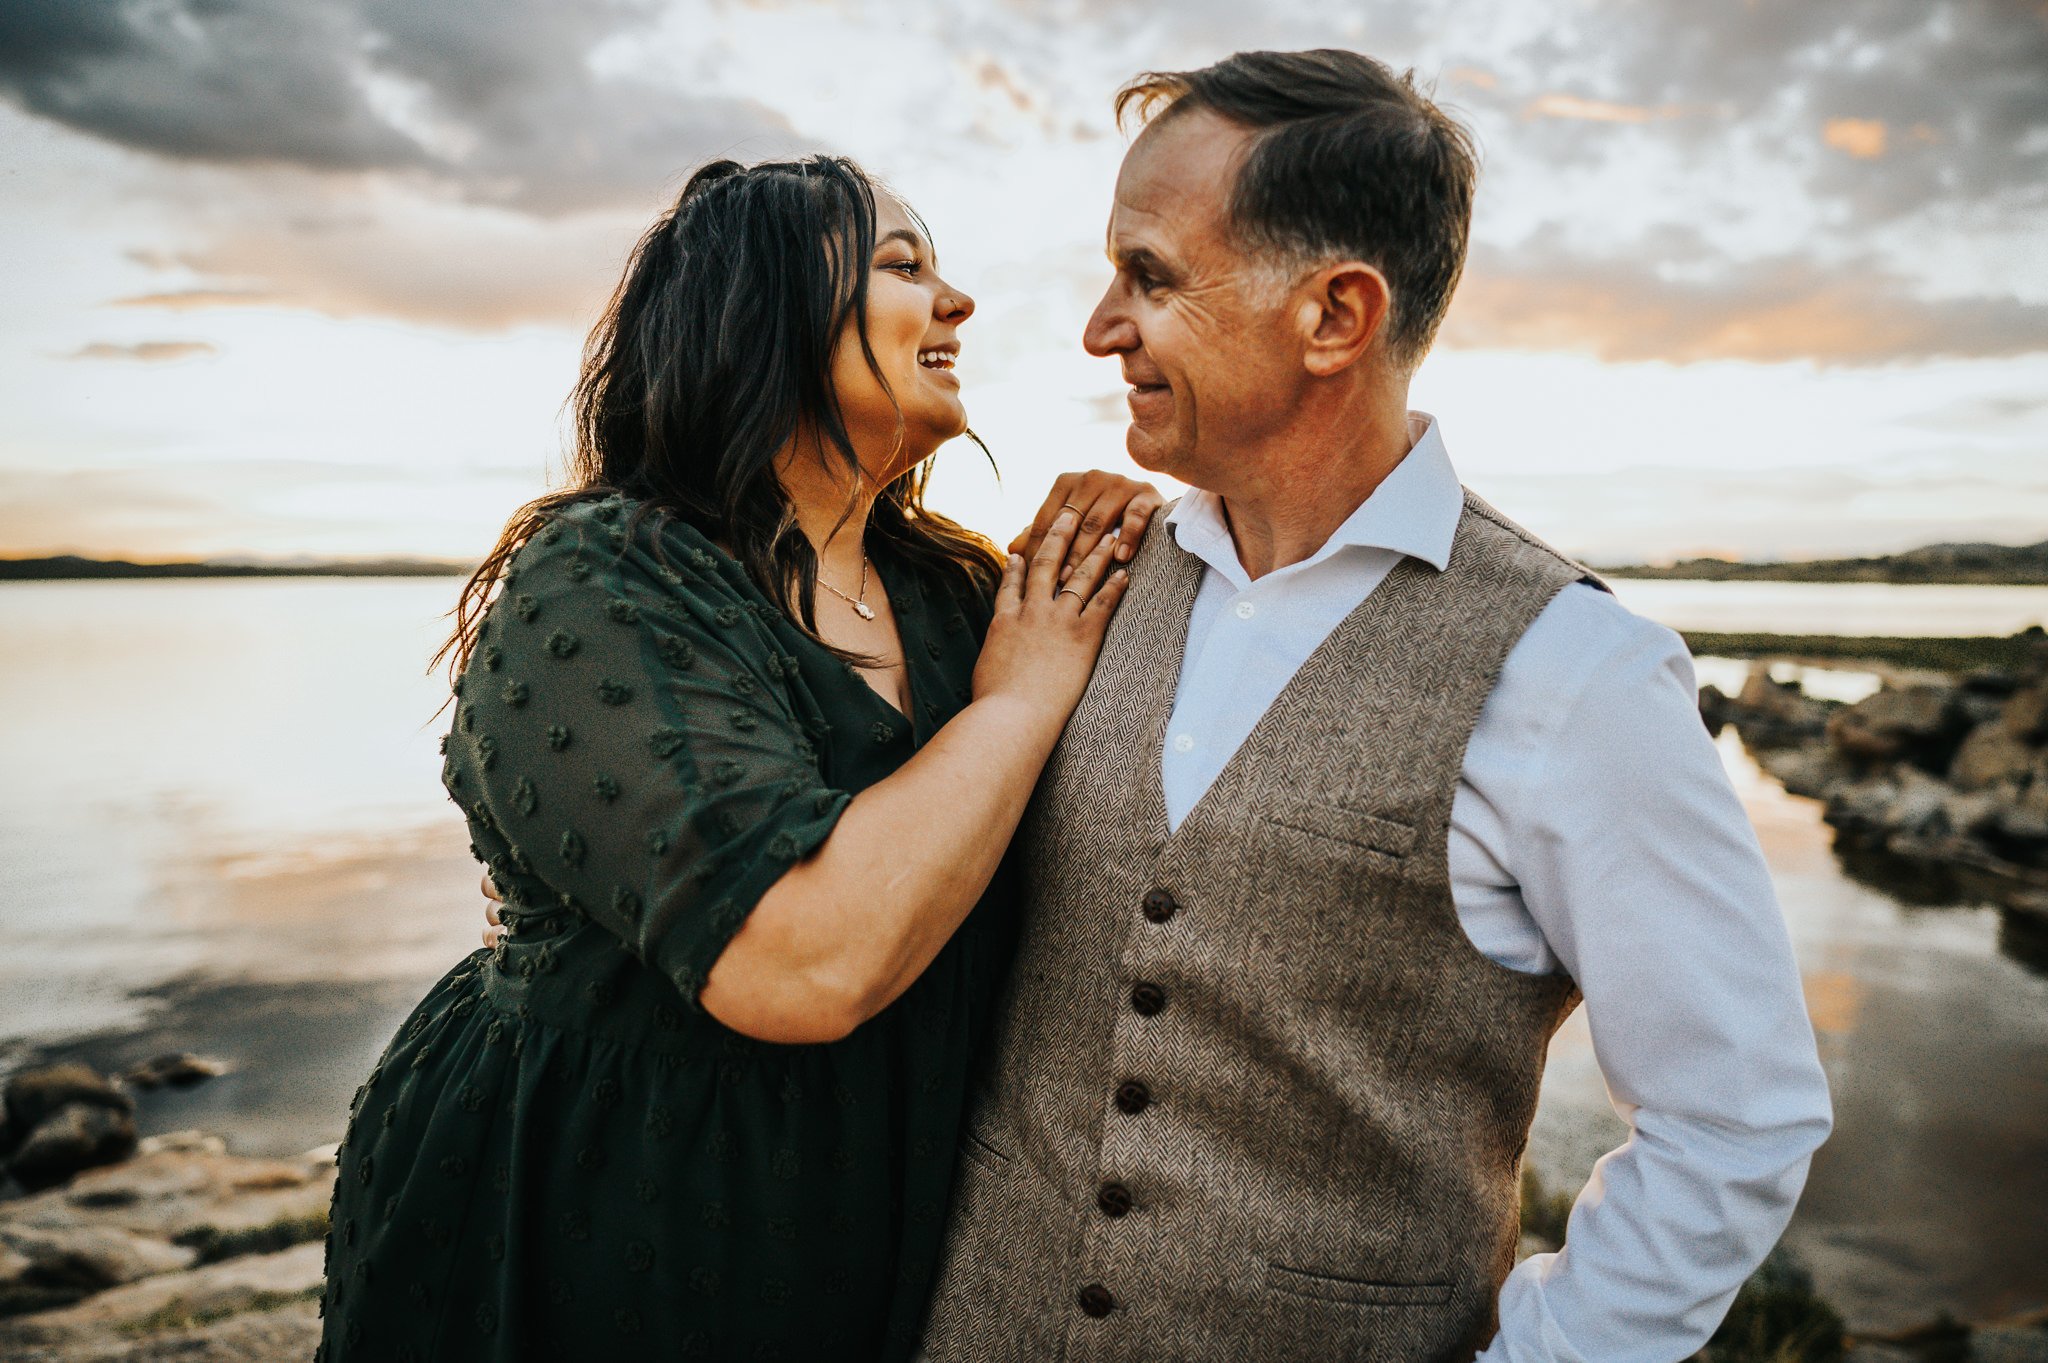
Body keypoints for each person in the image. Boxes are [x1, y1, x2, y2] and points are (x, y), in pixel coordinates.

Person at [914, 50, 1835, 1363]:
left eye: (1152, 276)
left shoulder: (1576, 671)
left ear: (1336, 315)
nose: (1099, 326)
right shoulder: (1082, 584)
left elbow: (1735, 1114)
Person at [317, 153, 1160, 1363]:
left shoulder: (955, 594)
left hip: (886, 1218)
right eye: (902, 265)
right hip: (590, 1215)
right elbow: (798, 959)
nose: (957, 301)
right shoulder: (604, 578)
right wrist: (1021, 703)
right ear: (761, 312)